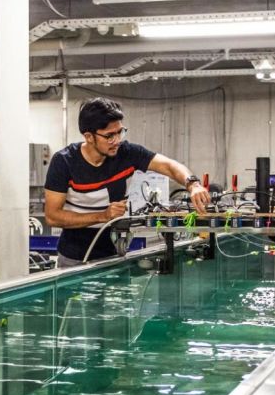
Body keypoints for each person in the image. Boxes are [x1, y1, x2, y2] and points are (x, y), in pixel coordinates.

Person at [45, 97, 211, 267]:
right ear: (89, 136)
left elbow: (168, 166)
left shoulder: (127, 153)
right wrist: (102, 216)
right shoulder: (65, 162)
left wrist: (193, 184)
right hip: (75, 257)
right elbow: (53, 216)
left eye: (120, 132)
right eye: (109, 136)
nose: (117, 140)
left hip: (117, 253)